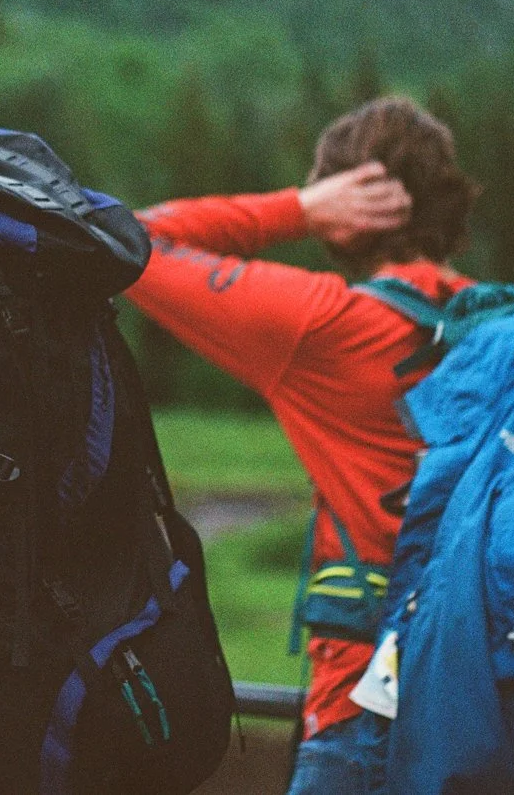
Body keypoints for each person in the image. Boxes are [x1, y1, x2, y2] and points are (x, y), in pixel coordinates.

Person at [126, 95, 477, 795]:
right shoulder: (502, 324)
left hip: (364, 710)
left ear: (351, 208)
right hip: (496, 703)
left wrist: (298, 207)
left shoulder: (328, 328)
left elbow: (124, 238)